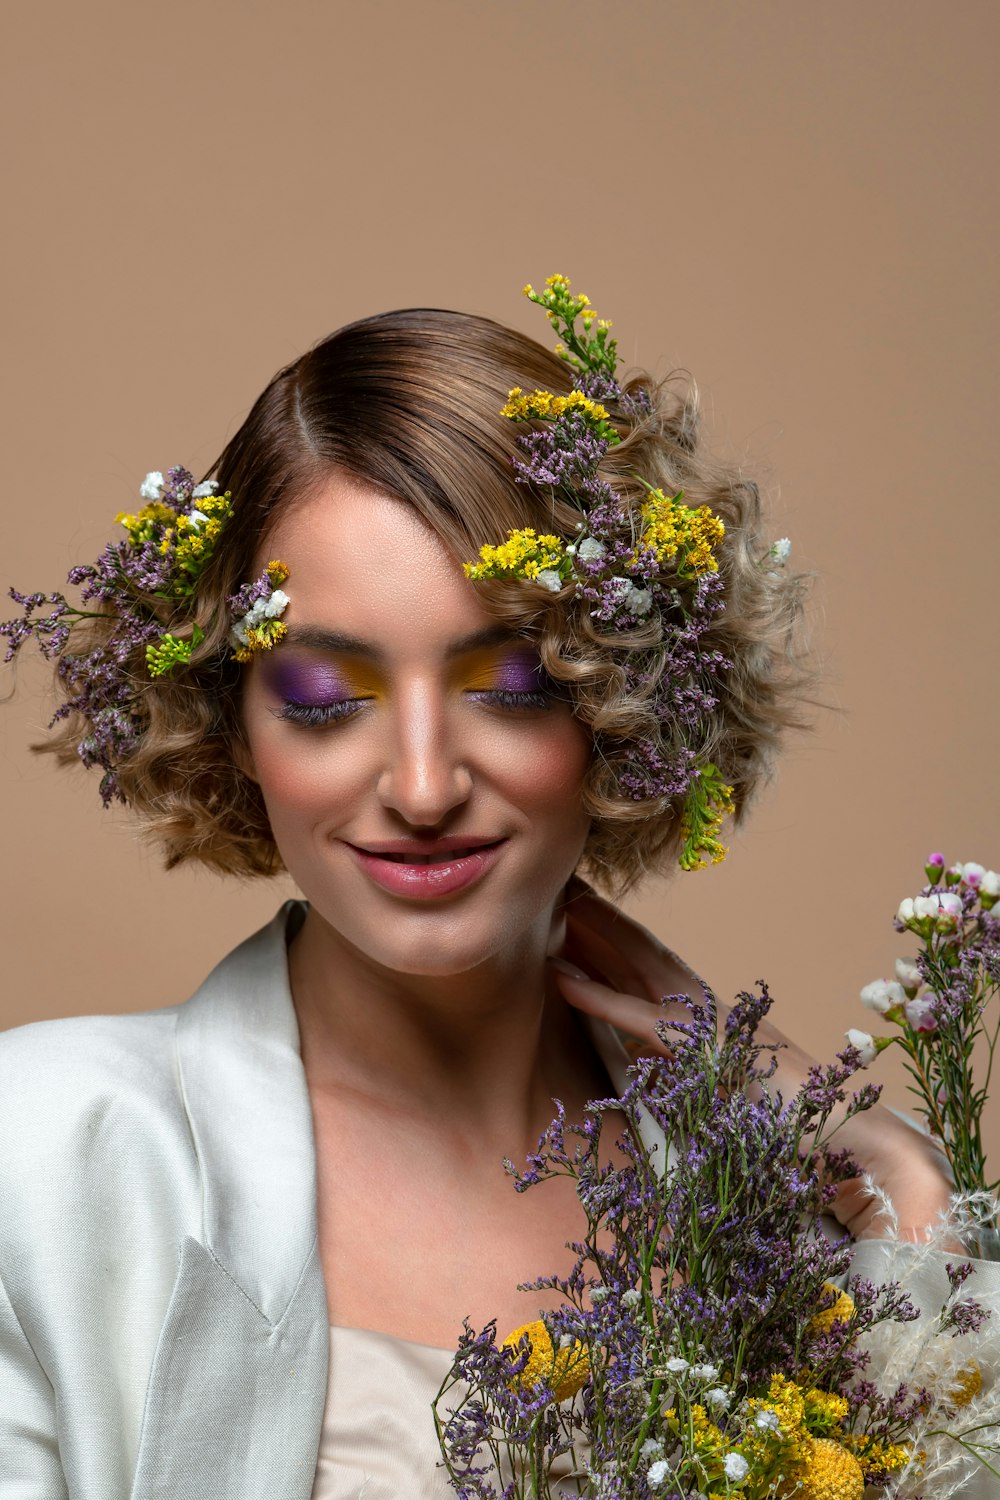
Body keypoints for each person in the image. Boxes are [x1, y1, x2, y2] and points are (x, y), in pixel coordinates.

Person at [0, 277, 990, 1500]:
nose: (421, 784)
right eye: (324, 698)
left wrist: (917, 1213)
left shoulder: (792, 1218)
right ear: (237, 730)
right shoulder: (40, 1159)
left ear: (622, 708)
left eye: (513, 684)